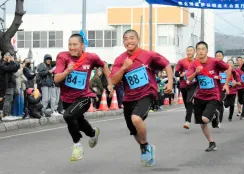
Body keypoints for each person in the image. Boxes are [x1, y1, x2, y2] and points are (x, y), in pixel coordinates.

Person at [110, 29, 173, 167]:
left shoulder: (148, 55)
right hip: (129, 97)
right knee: (133, 130)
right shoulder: (120, 60)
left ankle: (144, 147)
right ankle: (147, 146)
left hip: (147, 93)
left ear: (137, 40)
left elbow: (167, 64)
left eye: (131, 38)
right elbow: (113, 80)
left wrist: (170, 82)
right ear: (123, 42)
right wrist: (124, 68)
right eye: (125, 39)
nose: (129, 41)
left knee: (136, 118)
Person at [54, 33, 114, 161]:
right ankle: (93, 133)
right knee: (79, 122)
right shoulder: (62, 57)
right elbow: (56, 78)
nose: (72, 47)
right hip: (67, 98)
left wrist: (110, 84)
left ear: (82, 46)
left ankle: (77, 145)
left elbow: (104, 65)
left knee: (68, 116)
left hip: (84, 97)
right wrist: (67, 71)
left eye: (75, 44)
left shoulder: (91, 58)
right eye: (70, 44)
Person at [187, 41, 232, 152]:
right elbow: (189, 79)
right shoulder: (194, 64)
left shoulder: (215, 61)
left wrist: (226, 84)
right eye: (199, 49)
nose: (201, 51)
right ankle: (211, 142)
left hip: (213, 94)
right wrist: (196, 73)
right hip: (200, 96)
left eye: (203, 49)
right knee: (202, 124)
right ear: (196, 51)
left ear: (207, 51)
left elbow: (229, 68)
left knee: (205, 118)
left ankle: (215, 114)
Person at [175, 46, 196, 129]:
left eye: (191, 50)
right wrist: (181, 75)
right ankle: (195, 111)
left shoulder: (197, 62)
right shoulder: (181, 62)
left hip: (193, 84)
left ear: (194, 52)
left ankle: (187, 121)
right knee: (187, 105)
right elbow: (176, 73)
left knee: (189, 101)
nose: (189, 52)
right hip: (183, 85)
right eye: (188, 51)